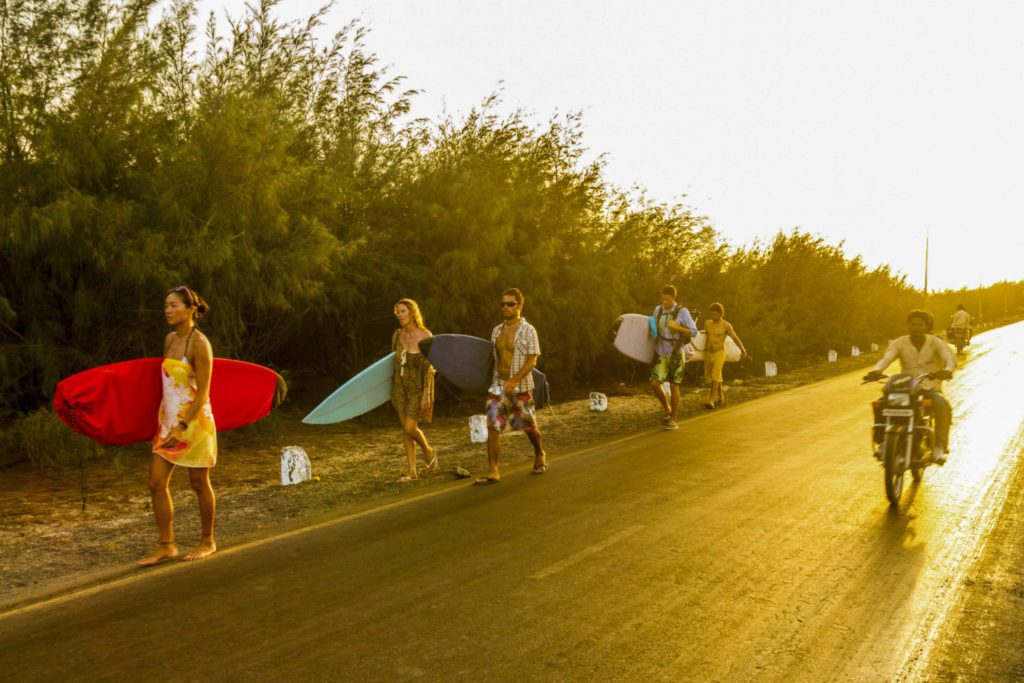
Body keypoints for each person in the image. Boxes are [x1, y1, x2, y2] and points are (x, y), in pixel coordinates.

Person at [138, 286, 217, 566]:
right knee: (155, 483)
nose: (168, 310)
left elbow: (204, 392)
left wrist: (182, 426)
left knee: (198, 482)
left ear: (190, 308)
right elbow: (168, 383)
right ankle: (166, 546)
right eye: (166, 305)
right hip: (168, 423)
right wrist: (165, 423)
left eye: (174, 305)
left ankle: (207, 540)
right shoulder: (170, 339)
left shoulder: (199, 344)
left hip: (194, 424)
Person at [864, 309, 956, 465]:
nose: (916, 327)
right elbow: (886, 359)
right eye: (912, 324)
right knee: (880, 405)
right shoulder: (899, 342)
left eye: (920, 325)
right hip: (905, 387)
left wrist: (947, 370)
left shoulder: (937, 343)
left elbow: (949, 359)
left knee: (943, 406)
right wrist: (876, 371)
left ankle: (939, 447)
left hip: (929, 387)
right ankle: (883, 443)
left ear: (926, 327)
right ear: (907, 326)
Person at [473, 288, 546, 485]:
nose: (505, 307)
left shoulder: (528, 330)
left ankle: (539, 452)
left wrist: (514, 379)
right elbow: (491, 360)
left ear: (519, 306)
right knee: (493, 426)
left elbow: (532, 360)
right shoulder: (497, 330)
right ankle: (493, 471)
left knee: (528, 426)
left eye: (510, 304)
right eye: (502, 304)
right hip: (498, 385)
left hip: (520, 386)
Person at [391, 298, 437, 482]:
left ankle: (428, 450)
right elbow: (391, 363)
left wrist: (426, 394)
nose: (400, 316)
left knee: (411, 427)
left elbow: (429, 368)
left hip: (418, 387)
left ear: (412, 312)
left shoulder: (425, 336)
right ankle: (412, 471)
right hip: (400, 386)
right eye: (398, 313)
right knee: (405, 430)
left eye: (402, 311)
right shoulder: (397, 335)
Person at [650, 285, 698, 429]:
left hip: (676, 352)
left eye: (668, 300)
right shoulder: (658, 310)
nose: (664, 302)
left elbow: (693, 332)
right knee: (654, 383)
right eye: (663, 299)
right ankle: (667, 408)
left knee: (674, 385)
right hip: (661, 351)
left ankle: (674, 418)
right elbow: (652, 326)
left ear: (674, 298)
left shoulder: (682, 311)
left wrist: (677, 327)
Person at [702, 302, 748, 409]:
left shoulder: (726, 325)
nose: (713, 317)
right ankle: (721, 396)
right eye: (712, 314)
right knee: (716, 376)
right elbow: (704, 337)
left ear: (721, 314)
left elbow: (735, 338)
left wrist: (743, 350)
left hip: (720, 353)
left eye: (715, 315)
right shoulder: (707, 323)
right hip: (709, 353)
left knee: (715, 375)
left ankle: (711, 400)